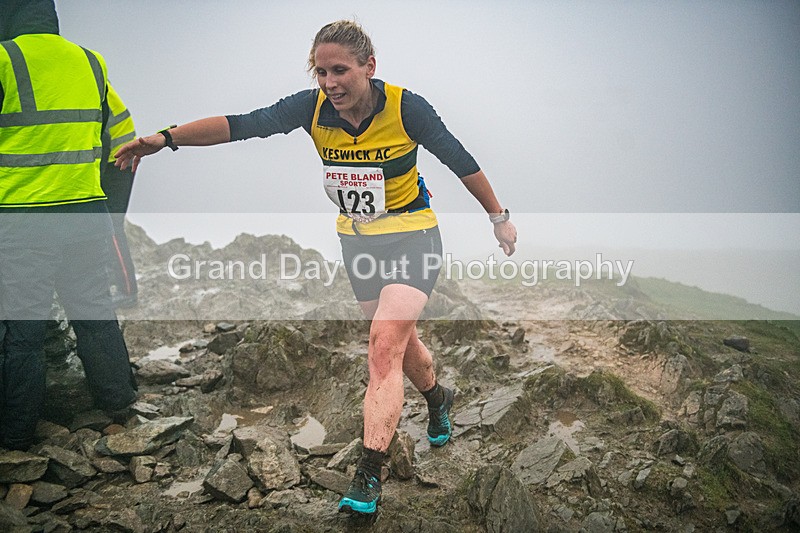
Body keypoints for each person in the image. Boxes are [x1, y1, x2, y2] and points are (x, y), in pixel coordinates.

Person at [115, 19, 517, 514]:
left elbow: (461, 161)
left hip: (414, 236)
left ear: (370, 67)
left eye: (341, 71)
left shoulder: (407, 108)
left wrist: (499, 219)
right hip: (358, 241)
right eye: (321, 72)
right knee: (399, 341)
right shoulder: (311, 109)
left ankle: (368, 476)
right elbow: (242, 124)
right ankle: (438, 398)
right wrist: (166, 138)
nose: (330, 83)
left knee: (381, 347)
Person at [0, 0, 137, 450]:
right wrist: (110, 213)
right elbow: (124, 142)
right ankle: (119, 403)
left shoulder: (4, 59)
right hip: (84, 213)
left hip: (23, 220)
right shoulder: (89, 61)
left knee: (22, 331)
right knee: (94, 312)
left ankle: (15, 434)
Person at [101, 83, 139, 308]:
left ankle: (127, 291)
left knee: (111, 224)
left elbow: (103, 137)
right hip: (118, 153)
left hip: (117, 159)